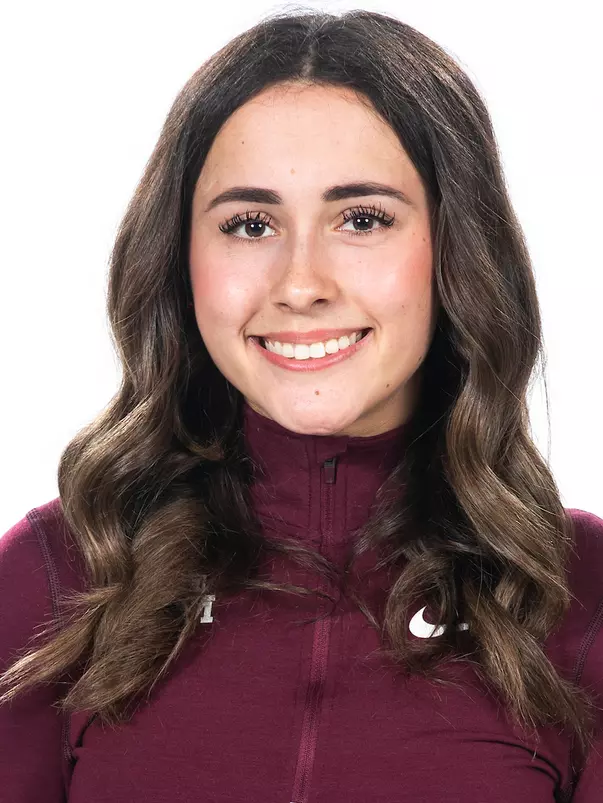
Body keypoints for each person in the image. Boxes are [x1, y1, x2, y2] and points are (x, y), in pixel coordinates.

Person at [1, 8, 601, 802]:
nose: (298, 282)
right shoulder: (65, 575)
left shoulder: (579, 593)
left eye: (362, 219)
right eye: (250, 224)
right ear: (181, 260)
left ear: (456, 249)